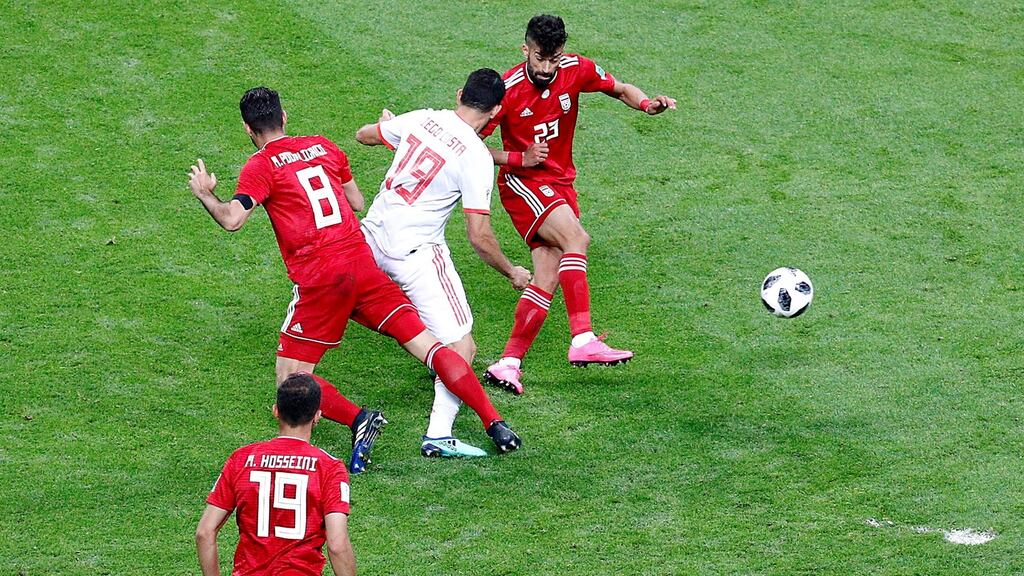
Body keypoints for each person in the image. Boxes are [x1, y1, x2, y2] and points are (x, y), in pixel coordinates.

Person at [187, 87, 522, 472]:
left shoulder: (260, 166)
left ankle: (359, 419)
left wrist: (206, 195)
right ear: (284, 117)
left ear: (248, 128)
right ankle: (493, 421)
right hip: (363, 265)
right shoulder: (323, 147)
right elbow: (357, 202)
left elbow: (232, 218)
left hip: (322, 278)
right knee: (431, 346)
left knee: (289, 383)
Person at [480, 14, 676, 395]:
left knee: (548, 276)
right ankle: (583, 338)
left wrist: (647, 104)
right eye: (540, 58)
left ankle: (508, 363)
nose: (548, 68)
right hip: (524, 184)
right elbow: (467, 143)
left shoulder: (576, 69)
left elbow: (619, 88)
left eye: (554, 59)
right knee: (577, 239)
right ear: (526, 50)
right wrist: (518, 159)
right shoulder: (507, 89)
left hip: (560, 184)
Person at [354, 69, 531, 458]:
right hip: (415, 254)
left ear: (459, 94)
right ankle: (438, 432)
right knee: (462, 346)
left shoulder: (422, 118)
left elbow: (364, 135)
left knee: (338, 301)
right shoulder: (478, 158)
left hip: (370, 239)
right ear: (496, 110)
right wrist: (512, 271)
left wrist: (389, 127)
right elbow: (479, 237)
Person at [195, 373, 356, 576]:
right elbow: (337, 544)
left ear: (276, 411)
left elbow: (204, 533)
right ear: (317, 416)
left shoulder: (241, 460)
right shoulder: (329, 468)